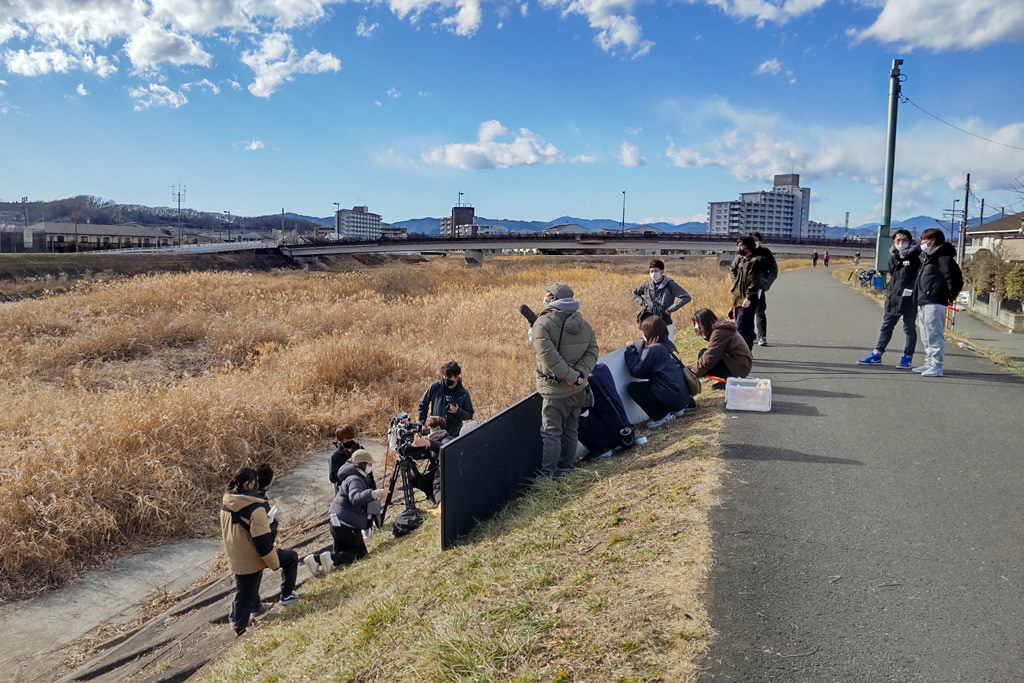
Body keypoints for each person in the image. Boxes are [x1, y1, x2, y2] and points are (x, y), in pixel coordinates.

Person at [221, 467, 300, 636]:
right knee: (290, 558)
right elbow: (263, 544)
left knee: (249, 583)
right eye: (255, 481)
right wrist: (273, 561)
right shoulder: (255, 509)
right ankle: (239, 624)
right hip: (252, 554)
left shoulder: (229, 501)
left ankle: (256, 608)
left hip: (236, 552)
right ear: (249, 484)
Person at [531, 282, 599, 479]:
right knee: (571, 429)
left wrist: (569, 376)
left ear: (553, 299)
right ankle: (565, 468)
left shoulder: (542, 324)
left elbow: (549, 357)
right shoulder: (583, 323)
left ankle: (547, 475)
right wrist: (579, 375)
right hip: (578, 389)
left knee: (551, 433)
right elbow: (593, 351)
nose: (544, 297)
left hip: (555, 390)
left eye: (547, 294)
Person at [304, 450, 387, 575]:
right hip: (346, 525)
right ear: (363, 464)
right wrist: (374, 494)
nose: (371, 467)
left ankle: (315, 560)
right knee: (360, 554)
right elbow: (355, 498)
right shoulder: (356, 479)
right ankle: (329, 559)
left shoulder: (352, 475)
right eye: (369, 464)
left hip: (337, 522)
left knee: (341, 551)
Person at [857, 229, 921, 369]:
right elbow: (894, 276)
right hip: (893, 297)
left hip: (910, 299)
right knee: (886, 327)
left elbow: (918, 279)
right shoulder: (893, 257)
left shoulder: (916, 258)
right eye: (898, 240)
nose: (901, 243)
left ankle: (907, 357)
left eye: (904, 240)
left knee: (909, 328)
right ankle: (877, 354)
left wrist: (911, 292)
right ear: (893, 242)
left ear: (910, 241)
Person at [913, 228, 964, 377]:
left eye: (924, 240)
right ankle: (929, 362)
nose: (922, 243)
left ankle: (936, 365)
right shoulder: (928, 257)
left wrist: (950, 296)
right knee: (925, 334)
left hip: (935, 300)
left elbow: (955, 279)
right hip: (924, 300)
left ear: (932, 240)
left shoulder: (943, 258)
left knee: (934, 334)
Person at [624, 316, 692, 428]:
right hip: (683, 397)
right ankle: (676, 409)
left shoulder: (653, 349)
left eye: (644, 331)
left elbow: (637, 372)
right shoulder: (669, 344)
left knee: (634, 388)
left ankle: (661, 416)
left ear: (648, 332)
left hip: (673, 397)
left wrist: (631, 350)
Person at [691, 308, 752, 386]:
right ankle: (725, 379)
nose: (696, 327)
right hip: (741, 364)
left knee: (704, 356)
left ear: (704, 322)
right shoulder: (720, 329)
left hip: (740, 367)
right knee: (703, 353)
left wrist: (694, 373)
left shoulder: (719, 333)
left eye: (697, 323)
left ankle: (727, 380)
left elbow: (710, 356)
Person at [632, 258, 691, 337]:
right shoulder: (647, 285)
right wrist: (644, 303)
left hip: (664, 320)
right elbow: (635, 293)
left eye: (656, 271)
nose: (653, 274)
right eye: (651, 271)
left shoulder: (669, 284)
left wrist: (670, 309)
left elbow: (686, 297)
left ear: (662, 271)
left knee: (664, 344)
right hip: (649, 320)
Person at [418, 361, 474, 438]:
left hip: (453, 434)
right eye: (445, 377)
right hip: (435, 432)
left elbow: (469, 414)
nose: (446, 380)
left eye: (449, 378)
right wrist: (423, 422)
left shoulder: (463, 394)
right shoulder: (435, 387)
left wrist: (458, 411)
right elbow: (423, 403)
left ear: (456, 377)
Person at [411, 416, 453, 511]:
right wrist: (411, 451)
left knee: (423, 482)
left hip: (443, 473)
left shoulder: (448, 438)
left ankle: (436, 500)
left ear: (438, 428)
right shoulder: (433, 441)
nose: (428, 433)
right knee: (413, 478)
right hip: (435, 471)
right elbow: (423, 454)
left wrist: (428, 443)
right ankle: (433, 498)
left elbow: (445, 448)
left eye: (430, 429)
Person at [730, 235, 764, 350]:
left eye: (741, 245)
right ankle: (745, 351)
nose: (739, 248)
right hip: (738, 298)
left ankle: (745, 352)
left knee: (742, 327)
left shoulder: (754, 262)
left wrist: (748, 298)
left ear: (747, 247)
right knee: (743, 326)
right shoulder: (742, 260)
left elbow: (753, 282)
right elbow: (735, 274)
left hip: (747, 300)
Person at [750, 232, 778, 346]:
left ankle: (762, 336)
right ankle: (749, 335)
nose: (755, 242)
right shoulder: (744, 252)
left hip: (760, 287)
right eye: (752, 240)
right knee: (745, 312)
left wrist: (766, 283)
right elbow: (734, 270)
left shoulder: (765, 253)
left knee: (760, 312)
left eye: (756, 240)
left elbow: (773, 271)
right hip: (744, 287)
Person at [328, 425, 363, 494]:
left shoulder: (360, 449)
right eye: (345, 440)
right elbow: (332, 478)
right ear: (339, 440)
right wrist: (347, 467)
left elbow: (369, 472)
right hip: (343, 491)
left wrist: (373, 490)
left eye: (350, 439)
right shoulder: (335, 456)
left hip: (360, 487)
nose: (348, 441)